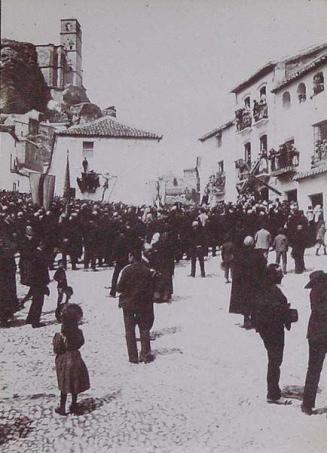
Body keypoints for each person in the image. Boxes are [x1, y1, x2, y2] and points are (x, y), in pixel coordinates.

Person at [254, 264, 292, 404]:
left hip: (270, 329)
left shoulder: (266, 288)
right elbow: (270, 312)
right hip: (272, 330)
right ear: (272, 275)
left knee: (275, 360)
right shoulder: (269, 291)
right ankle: (273, 394)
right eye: (279, 273)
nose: (282, 276)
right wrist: (285, 313)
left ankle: (274, 390)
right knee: (275, 360)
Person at [117, 249, 155, 364]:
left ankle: (133, 357)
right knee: (144, 329)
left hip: (128, 305)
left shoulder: (126, 270)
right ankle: (145, 354)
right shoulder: (147, 270)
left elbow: (119, 288)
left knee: (130, 331)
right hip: (144, 305)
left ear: (132, 257)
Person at [53, 304, 90, 415]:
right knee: (75, 383)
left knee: (64, 385)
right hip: (76, 358)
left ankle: (62, 407)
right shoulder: (79, 332)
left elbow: (57, 348)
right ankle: (74, 404)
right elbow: (81, 342)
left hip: (65, 360)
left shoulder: (61, 335)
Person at [301, 270, 327, 415]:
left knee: (313, 370)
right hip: (318, 336)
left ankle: (307, 404)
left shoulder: (315, 292)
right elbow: (321, 310)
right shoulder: (316, 293)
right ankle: (307, 404)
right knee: (314, 370)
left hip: (315, 336)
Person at [229, 236, 267, 329]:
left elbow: (235, 268)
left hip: (243, 283)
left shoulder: (240, 254)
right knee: (255, 301)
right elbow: (263, 266)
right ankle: (254, 320)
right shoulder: (258, 254)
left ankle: (246, 320)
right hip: (255, 282)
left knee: (245, 301)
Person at [25, 243, 50, 328]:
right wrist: (45, 282)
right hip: (39, 282)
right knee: (39, 302)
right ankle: (35, 322)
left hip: (35, 281)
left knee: (35, 300)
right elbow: (41, 271)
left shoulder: (34, 254)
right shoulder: (39, 256)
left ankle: (30, 318)